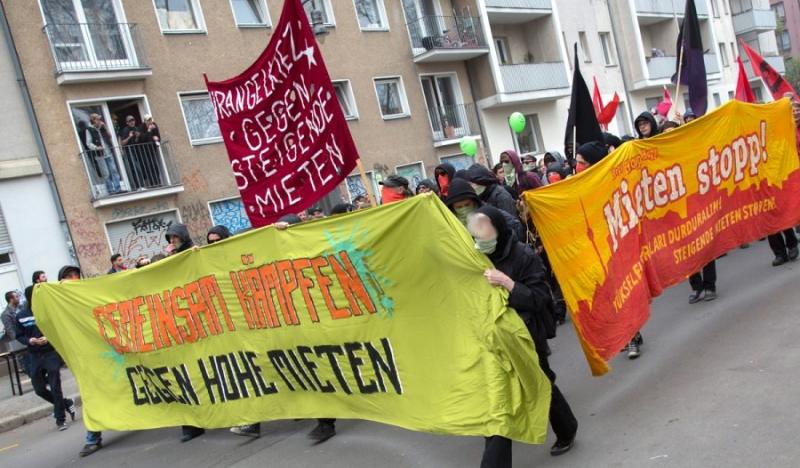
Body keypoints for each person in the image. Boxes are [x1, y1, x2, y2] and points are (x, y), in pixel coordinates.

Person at [467, 207, 577, 467]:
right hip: (492, 340)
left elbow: (539, 298)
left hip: (527, 334)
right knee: (497, 401)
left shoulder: (523, 255)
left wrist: (508, 283)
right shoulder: (475, 257)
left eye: (486, 231)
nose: (481, 238)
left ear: (499, 229)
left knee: (540, 381)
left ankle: (567, 428)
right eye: (476, 233)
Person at [16, 276, 77, 433]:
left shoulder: (48, 312)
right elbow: (19, 335)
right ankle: (66, 403)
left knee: (55, 386)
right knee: (39, 389)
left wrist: (48, 337)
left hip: (51, 353)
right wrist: (30, 340)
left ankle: (60, 419)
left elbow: (60, 328)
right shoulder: (21, 315)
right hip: (34, 355)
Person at [443, 179, 525, 242]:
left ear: (474, 202)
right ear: (453, 208)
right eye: (459, 207)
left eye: (467, 205)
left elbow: (517, 229)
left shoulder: (491, 214)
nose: (464, 209)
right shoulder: (451, 224)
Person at [85, 113, 122, 195]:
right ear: (93, 120)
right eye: (98, 119)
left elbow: (110, 136)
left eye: (99, 119)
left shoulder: (102, 128)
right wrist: (96, 147)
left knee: (114, 170)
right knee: (106, 173)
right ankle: (111, 190)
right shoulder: (89, 129)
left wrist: (105, 126)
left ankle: (118, 189)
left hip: (108, 152)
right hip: (100, 154)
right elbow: (88, 143)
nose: (99, 121)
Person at [119, 115, 144, 190]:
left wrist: (137, 136)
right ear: (127, 123)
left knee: (140, 168)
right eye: (130, 121)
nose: (132, 122)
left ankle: (141, 186)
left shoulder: (136, 128)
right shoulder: (125, 130)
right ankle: (137, 186)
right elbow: (122, 143)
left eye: (133, 120)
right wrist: (129, 136)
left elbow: (136, 141)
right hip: (129, 152)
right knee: (135, 169)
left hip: (136, 151)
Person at [137, 114, 163, 187]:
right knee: (148, 166)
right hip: (144, 150)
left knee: (154, 165)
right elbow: (143, 139)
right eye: (148, 120)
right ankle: (152, 183)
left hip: (152, 149)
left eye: (151, 120)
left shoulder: (154, 125)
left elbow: (158, 137)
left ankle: (158, 182)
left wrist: (156, 138)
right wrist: (149, 130)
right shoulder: (141, 127)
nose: (150, 122)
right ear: (145, 121)